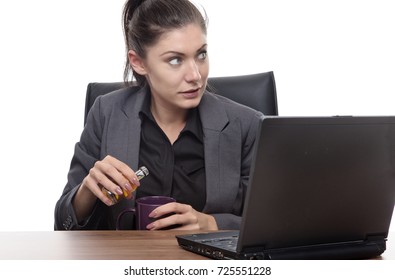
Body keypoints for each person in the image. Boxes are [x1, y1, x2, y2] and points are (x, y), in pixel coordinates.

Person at [54, 0, 263, 231]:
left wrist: (212, 223)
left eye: (201, 55)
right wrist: (86, 190)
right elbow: (63, 227)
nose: (195, 75)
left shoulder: (247, 126)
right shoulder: (106, 113)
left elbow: (274, 226)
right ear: (139, 62)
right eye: (175, 60)